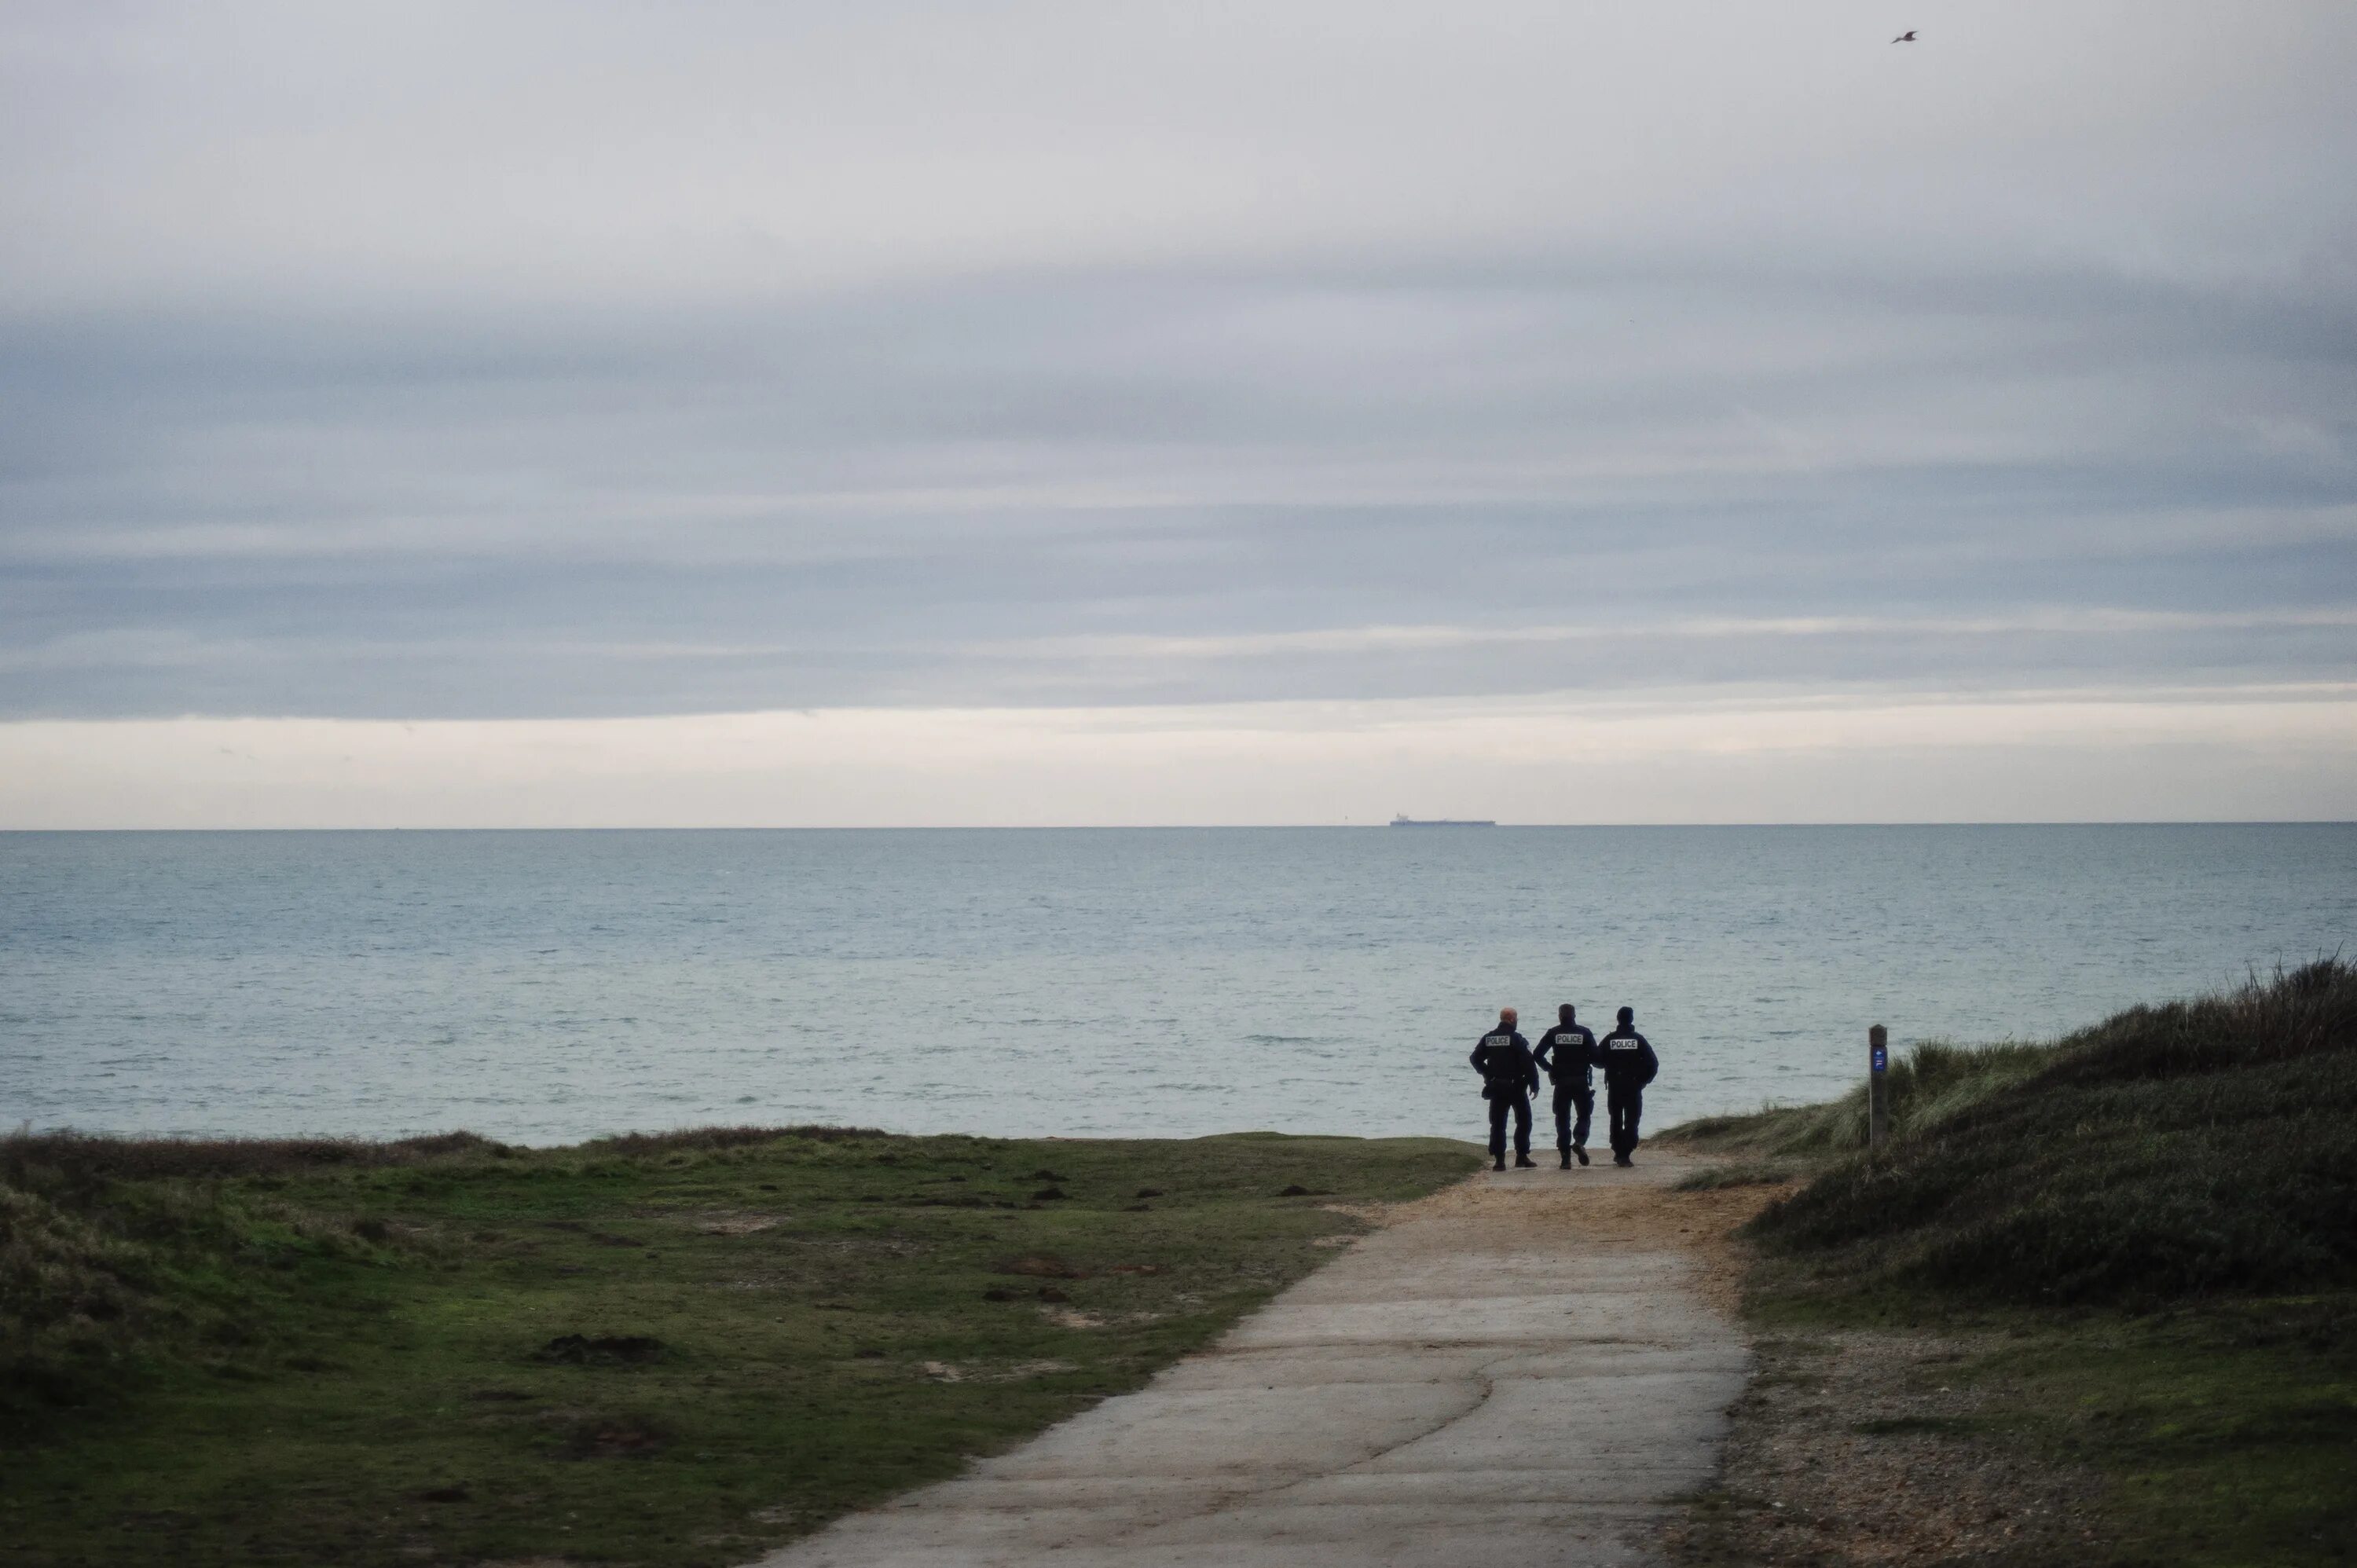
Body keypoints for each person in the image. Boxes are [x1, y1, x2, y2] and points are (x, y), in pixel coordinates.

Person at [1468, 1007, 1540, 1171]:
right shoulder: (1516, 1039)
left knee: (1498, 1124)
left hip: (1497, 1087)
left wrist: (1488, 1074)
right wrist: (1534, 1084)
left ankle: (1499, 1160)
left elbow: (1475, 1058)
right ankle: (1521, 1156)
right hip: (1516, 1087)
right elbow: (1529, 1062)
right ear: (1513, 1020)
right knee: (1524, 1121)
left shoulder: (1489, 1038)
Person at [1531, 1003, 1599, 1168]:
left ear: (1560, 1016)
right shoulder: (1584, 1033)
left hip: (1561, 1082)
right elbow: (1596, 1057)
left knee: (1562, 1120)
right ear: (1574, 1016)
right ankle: (1579, 1141)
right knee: (1584, 1115)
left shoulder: (1554, 1033)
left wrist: (1550, 1069)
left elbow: (1537, 1054)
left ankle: (1565, 1160)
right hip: (1581, 1080)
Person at [1597, 1006, 1659, 1167]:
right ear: (1631, 1020)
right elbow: (1653, 1064)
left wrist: (1608, 1064)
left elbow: (1597, 1059)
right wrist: (1643, 1081)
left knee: (1616, 1120)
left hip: (1615, 1086)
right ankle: (1626, 1152)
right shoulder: (1638, 1039)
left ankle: (1619, 1152)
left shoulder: (1609, 1039)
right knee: (1632, 1120)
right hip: (1633, 1086)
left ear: (1618, 1019)